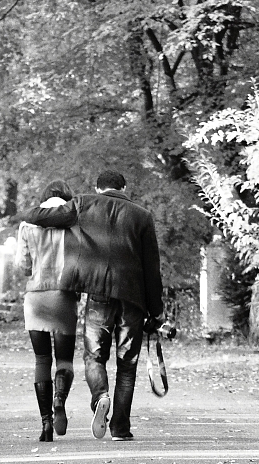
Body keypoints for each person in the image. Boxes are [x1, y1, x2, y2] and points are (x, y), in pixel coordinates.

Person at [15, 169, 162, 441]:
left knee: (94, 356)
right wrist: (157, 311)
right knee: (127, 365)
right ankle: (120, 428)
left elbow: (46, 217)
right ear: (124, 187)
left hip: (98, 295)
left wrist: (23, 214)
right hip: (133, 299)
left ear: (97, 188)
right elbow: (152, 268)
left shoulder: (85, 205)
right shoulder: (142, 216)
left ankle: (100, 395)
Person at [14, 180, 81, 442]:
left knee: (41, 360)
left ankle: (45, 424)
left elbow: (22, 265)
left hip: (36, 299)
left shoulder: (28, 226)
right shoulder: (75, 225)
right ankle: (59, 401)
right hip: (64, 297)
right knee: (64, 361)